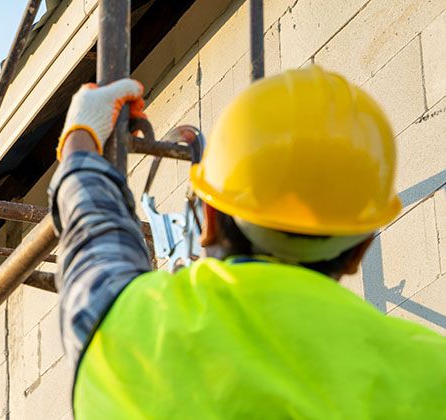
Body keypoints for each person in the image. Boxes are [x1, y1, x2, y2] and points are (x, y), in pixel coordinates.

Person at [49, 66, 446, 417]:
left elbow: (94, 235)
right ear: (359, 250)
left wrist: (80, 137)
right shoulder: (432, 375)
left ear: (209, 220)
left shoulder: (132, 335)